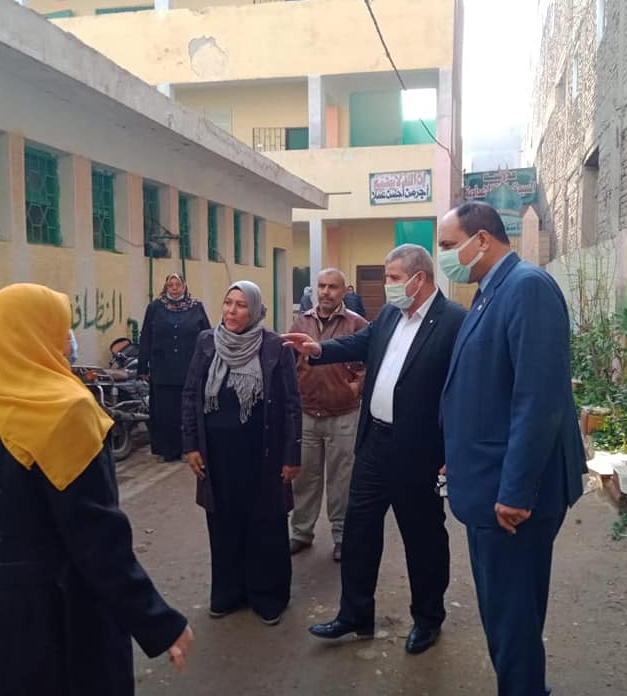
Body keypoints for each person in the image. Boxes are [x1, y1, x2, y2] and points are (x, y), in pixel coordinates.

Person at [0, 283, 193, 696]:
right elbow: (97, 540)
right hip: (34, 622)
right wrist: (158, 622)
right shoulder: (65, 412)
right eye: (63, 328)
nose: (69, 340)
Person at [283, 245, 466, 655]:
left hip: (419, 452)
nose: (387, 285)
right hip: (373, 444)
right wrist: (318, 350)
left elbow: (465, 391)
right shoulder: (389, 315)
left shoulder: (454, 322)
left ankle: (428, 619)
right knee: (359, 531)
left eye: (394, 278)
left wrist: (453, 450)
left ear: (419, 279)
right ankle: (355, 615)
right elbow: (361, 342)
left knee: (423, 539)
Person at [437, 201, 586, 696]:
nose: (444, 256)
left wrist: (517, 492)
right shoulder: (490, 291)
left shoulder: (527, 288)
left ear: (482, 239)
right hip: (487, 482)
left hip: (514, 500)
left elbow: (538, 400)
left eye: (448, 245)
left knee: (513, 622)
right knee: (504, 616)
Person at [182, 281, 302, 626]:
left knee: (265, 524)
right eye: (228, 303)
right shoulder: (207, 342)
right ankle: (228, 593)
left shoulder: (274, 346)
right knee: (223, 524)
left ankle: (268, 596)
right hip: (217, 455)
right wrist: (191, 445)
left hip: (263, 453)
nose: (232, 311)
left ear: (255, 310)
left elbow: (291, 404)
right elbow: (191, 394)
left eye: (241, 305)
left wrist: (291, 455)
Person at [289, 268, 367, 562]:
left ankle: (342, 535)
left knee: (341, 480)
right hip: (307, 413)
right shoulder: (302, 322)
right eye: (321, 286)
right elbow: (289, 362)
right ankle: (301, 532)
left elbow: (372, 361)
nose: (325, 292)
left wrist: (357, 386)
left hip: (343, 414)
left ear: (344, 291)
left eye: (332, 287)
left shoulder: (356, 323)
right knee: (304, 478)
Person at [138, 273, 210, 462]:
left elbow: (207, 337)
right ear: (166, 287)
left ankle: (189, 449)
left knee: (187, 411)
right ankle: (167, 451)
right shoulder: (155, 307)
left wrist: (208, 363)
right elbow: (146, 336)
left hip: (189, 368)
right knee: (164, 413)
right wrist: (142, 367)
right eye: (171, 285)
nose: (175, 288)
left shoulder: (196, 307)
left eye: (178, 284)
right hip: (163, 370)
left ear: (184, 286)